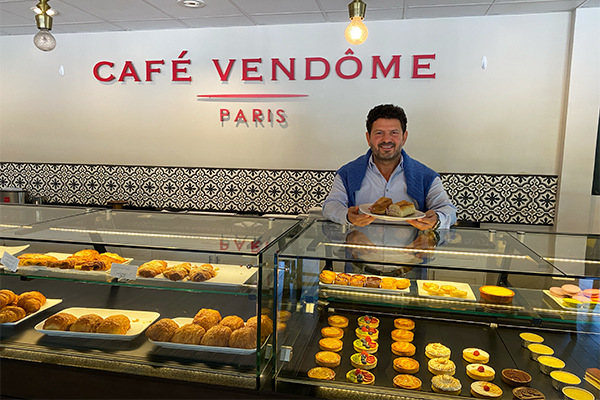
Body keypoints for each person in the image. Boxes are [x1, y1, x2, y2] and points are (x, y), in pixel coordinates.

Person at [322, 104, 457, 231]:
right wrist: (346, 216)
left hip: (410, 253)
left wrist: (437, 220)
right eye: (379, 133)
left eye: (394, 132)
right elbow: (330, 205)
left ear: (404, 137)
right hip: (360, 253)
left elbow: (448, 210)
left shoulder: (426, 176)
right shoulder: (347, 173)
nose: (387, 139)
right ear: (368, 138)